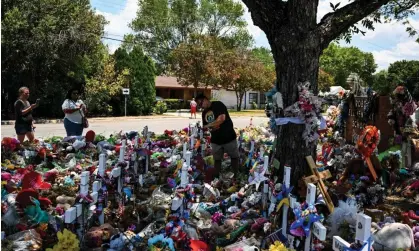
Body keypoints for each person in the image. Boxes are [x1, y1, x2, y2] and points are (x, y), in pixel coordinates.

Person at [195, 94, 239, 181]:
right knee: (217, 160)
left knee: (234, 157)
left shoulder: (218, 105)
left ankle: (236, 175)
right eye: (199, 105)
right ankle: (217, 178)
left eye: (201, 103)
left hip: (228, 137)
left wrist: (210, 125)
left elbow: (221, 119)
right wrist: (212, 126)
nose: (201, 106)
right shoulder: (204, 113)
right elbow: (207, 127)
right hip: (215, 140)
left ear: (205, 99)